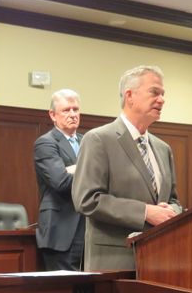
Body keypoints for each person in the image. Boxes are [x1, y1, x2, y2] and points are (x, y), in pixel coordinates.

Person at [72, 65, 181, 271]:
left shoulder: (162, 148)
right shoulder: (99, 139)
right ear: (129, 95)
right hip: (115, 262)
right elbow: (86, 199)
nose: (162, 99)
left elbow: (173, 199)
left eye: (163, 94)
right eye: (154, 92)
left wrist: (172, 211)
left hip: (161, 261)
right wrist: (145, 212)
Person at [33, 88, 85, 271]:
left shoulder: (88, 141)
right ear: (53, 115)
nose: (72, 114)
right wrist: (87, 169)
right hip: (61, 229)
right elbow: (61, 182)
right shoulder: (46, 143)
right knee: (63, 292)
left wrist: (73, 169)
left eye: (76, 109)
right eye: (66, 110)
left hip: (89, 229)